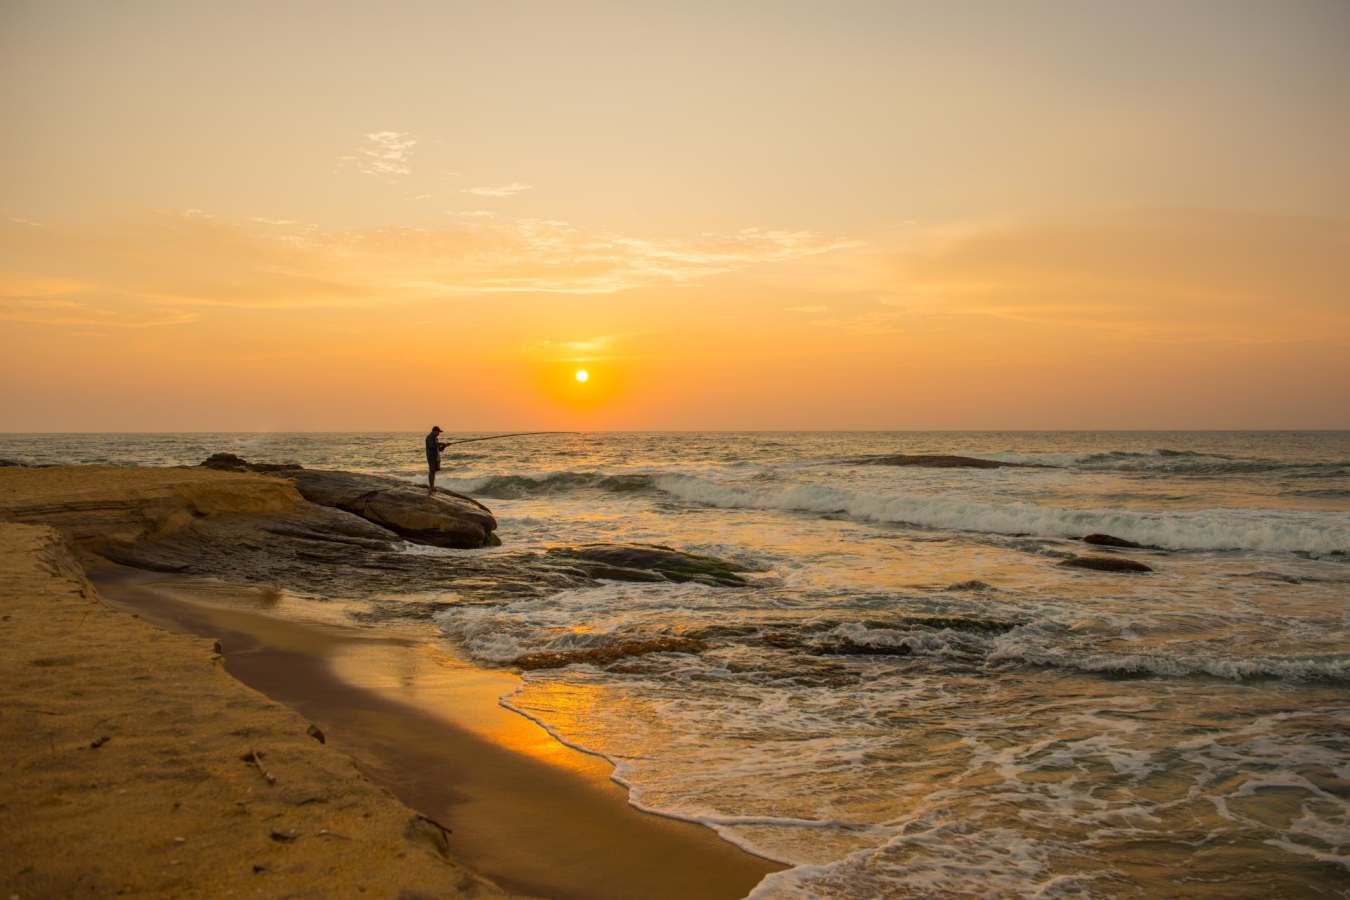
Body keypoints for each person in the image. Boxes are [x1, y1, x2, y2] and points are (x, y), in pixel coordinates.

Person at [425, 425, 450, 495]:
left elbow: (439, 449)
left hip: (436, 456)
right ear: (434, 431)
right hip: (431, 457)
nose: (439, 433)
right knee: (431, 471)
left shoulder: (435, 438)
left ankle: (432, 486)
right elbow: (432, 446)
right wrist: (441, 443)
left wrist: (444, 446)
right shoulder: (429, 437)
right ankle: (431, 487)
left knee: (433, 471)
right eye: (438, 432)